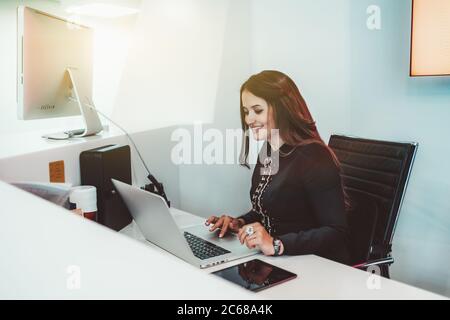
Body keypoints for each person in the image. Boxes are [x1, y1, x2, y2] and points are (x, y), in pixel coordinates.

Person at [206, 70, 350, 264]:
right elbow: (268, 210)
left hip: (315, 265)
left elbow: (336, 231)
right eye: (246, 111)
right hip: (278, 260)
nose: (249, 119)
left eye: (257, 110)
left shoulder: (314, 156)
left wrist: (276, 244)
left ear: (282, 108)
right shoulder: (269, 150)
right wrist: (239, 223)